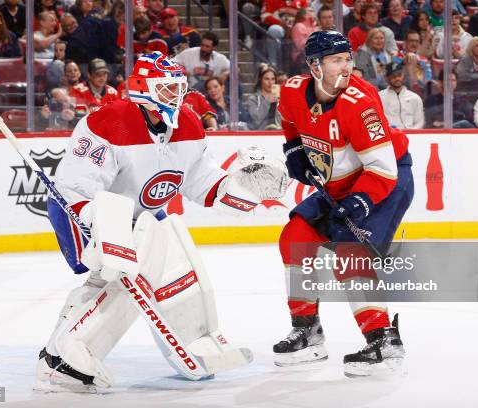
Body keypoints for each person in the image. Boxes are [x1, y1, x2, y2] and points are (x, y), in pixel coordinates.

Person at [35, 51, 284, 391]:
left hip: (142, 217)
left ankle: (190, 344)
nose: (177, 96)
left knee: (173, 268)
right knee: (114, 278)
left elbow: (202, 180)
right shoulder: (108, 121)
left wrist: (242, 190)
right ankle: (64, 358)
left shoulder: (189, 124)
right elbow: (75, 186)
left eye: (179, 88)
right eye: (167, 89)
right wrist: (107, 229)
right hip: (81, 210)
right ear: (142, 89)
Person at [275, 30, 412, 377]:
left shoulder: (359, 102)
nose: (347, 66)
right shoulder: (293, 90)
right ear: (314, 66)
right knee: (295, 237)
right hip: (338, 183)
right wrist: (293, 149)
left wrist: (359, 203)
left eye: (348, 58)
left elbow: (383, 170)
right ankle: (307, 331)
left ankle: (382, 341)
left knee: (350, 252)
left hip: (385, 181)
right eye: (337, 60)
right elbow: (290, 121)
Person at [379, 62, 425, 128]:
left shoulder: (414, 97)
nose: (397, 78)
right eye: (393, 76)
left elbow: (420, 122)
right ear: (387, 78)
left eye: (399, 75)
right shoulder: (379, 97)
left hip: (411, 136)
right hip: (391, 135)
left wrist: (411, 134)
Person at [246, 64, 281, 130]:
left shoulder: (279, 98)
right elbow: (256, 120)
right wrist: (267, 101)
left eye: (273, 79)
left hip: (279, 135)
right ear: (260, 79)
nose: (270, 82)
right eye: (266, 79)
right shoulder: (253, 99)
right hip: (261, 136)